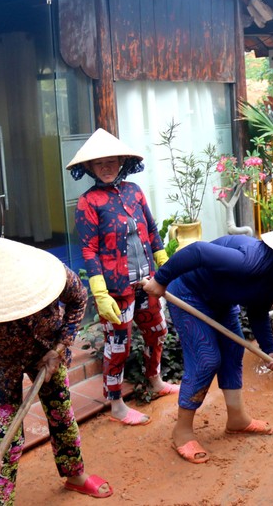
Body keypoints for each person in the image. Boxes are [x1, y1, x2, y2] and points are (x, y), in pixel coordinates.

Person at [142, 224, 273, 464]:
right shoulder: (250, 260)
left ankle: (237, 419)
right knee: (206, 360)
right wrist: (160, 281)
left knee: (234, 352)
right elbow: (198, 251)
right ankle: (182, 431)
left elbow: (258, 309)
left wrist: (271, 350)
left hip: (222, 300)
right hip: (189, 293)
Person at [0, 237, 113, 504]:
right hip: (1, 366)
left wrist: (59, 347)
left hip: (48, 353)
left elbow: (78, 301)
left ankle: (75, 474)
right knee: (4, 443)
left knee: (62, 416)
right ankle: (2, 501)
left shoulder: (54, 276)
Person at [67, 128, 178, 426]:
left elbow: (152, 232)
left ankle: (155, 380)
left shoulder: (134, 191)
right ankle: (116, 404)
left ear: (121, 162)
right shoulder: (88, 202)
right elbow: (88, 250)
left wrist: (165, 268)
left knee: (157, 332)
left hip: (148, 283)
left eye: (111, 161)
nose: (106, 168)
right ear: (89, 168)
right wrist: (100, 294)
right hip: (116, 289)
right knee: (118, 346)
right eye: (99, 163)